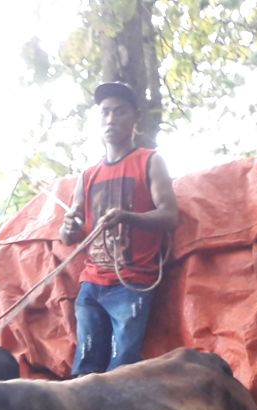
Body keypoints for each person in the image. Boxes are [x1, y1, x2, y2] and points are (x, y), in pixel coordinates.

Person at [60, 81, 179, 376]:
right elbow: (69, 237)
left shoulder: (150, 161)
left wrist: (129, 217)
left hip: (132, 283)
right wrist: (69, 227)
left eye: (120, 112)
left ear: (135, 118)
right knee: (84, 367)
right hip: (91, 284)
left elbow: (170, 216)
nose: (111, 119)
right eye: (105, 113)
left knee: (121, 368)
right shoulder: (87, 175)